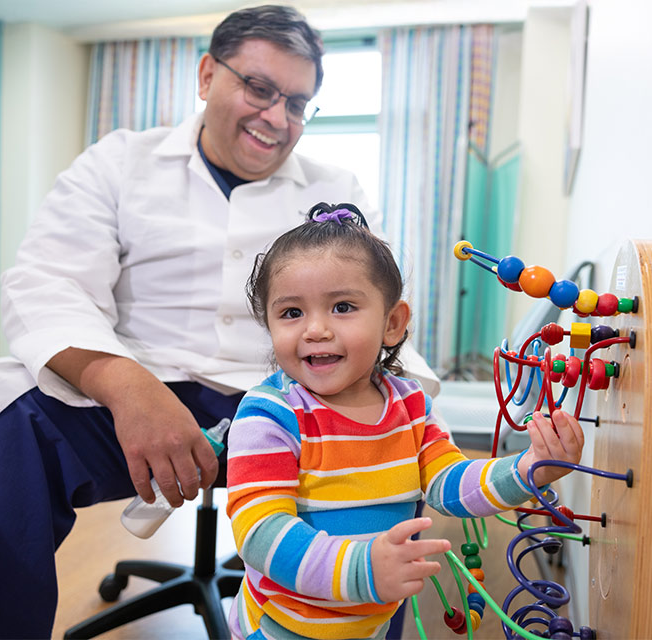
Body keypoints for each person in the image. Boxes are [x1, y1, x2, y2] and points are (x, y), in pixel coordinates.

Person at [0, 6, 436, 639]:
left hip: (295, 405)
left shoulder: (336, 190)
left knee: (383, 449)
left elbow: (368, 301)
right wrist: (127, 386)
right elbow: (48, 281)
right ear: (206, 75)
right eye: (259, 88)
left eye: (298, 103)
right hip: (132, 397)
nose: (278, 118)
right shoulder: (119, 163)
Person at [226, 203, 585, 639]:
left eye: (342, 306)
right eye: (291, 313)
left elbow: (451, 485)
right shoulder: (269, 414)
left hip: (369, 622)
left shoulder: (411, 405)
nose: (315, 329)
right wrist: (363, 570)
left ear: (392, 323)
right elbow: (260, 532)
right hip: (282, 627)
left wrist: (530, 470)